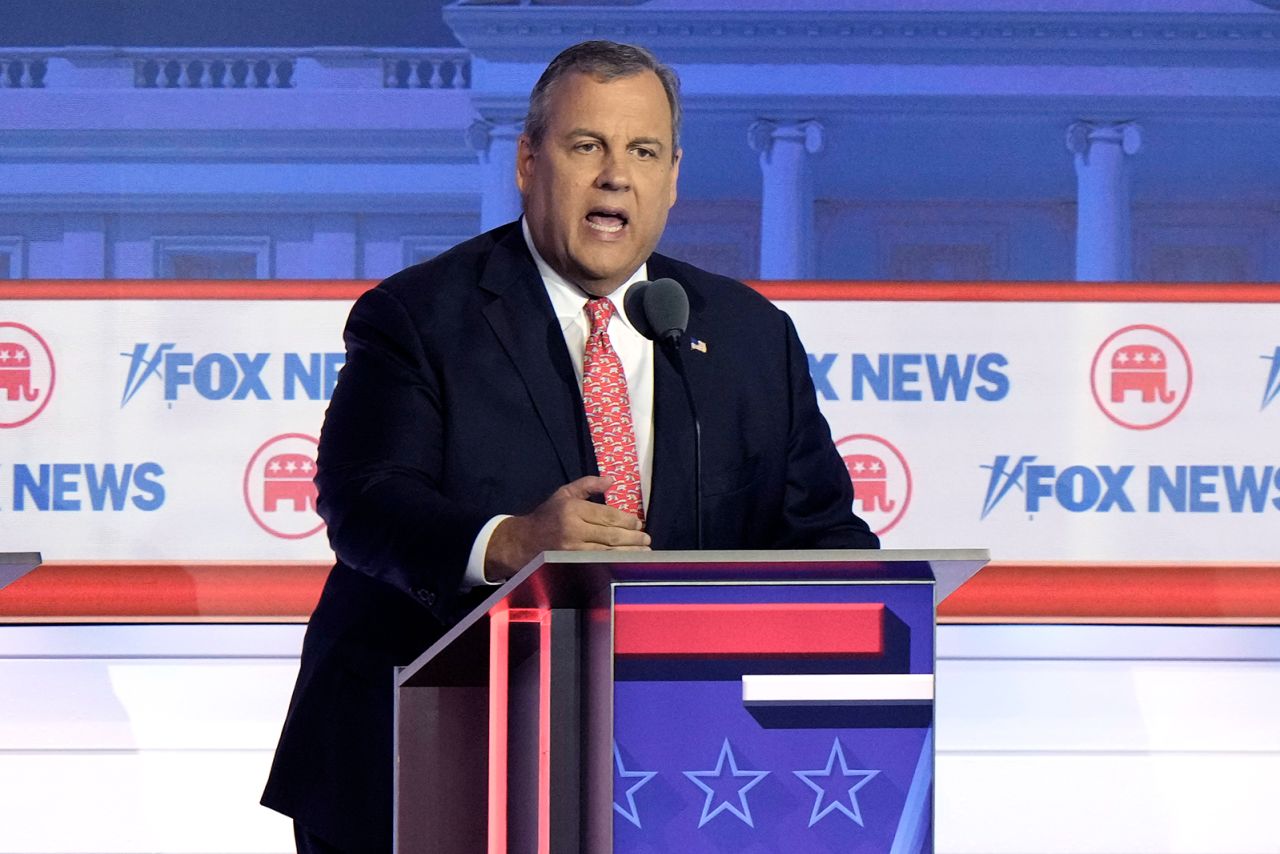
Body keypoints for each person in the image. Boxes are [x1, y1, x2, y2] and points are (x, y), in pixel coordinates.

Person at [262, 39, 878, 852]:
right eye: (587, 145)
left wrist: (874, 605)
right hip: (426, 761)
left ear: (673, 176)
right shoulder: (419, 316)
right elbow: (365, 499)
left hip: (674, 775)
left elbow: (824, 538)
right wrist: (513, 540)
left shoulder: (747, 336)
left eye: (643, 151)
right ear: (527, 160)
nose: (615, 174)